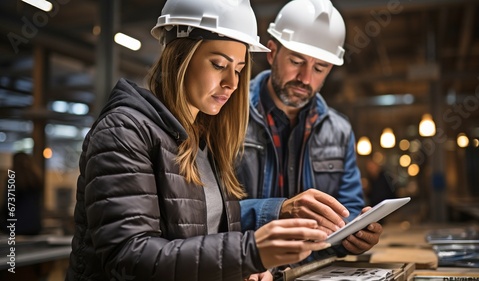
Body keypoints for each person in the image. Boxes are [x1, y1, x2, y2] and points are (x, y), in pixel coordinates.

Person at [65, 1, 331, 281]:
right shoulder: (123, 132)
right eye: (219, 65)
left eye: (239, 69)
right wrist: (247, 254)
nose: (233, 82)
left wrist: (247, 269)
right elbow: (129, 257)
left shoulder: (206, 140)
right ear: (180, 56)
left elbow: (203, 246)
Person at [237, 0, 383, 262]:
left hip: (311, 270)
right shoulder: (228, 116)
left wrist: (354, 237)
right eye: (296, 61)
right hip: (246, 268)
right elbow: (205, 212)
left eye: (319, 68)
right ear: (271, 52)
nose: (305, 78)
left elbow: (347, 211)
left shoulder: (339, 131)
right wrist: (277, 211)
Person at [0, 152, 43, 235]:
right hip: (35, 226)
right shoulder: (36, 179)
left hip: (17, 226)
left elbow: (8, 205)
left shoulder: (13, 179)